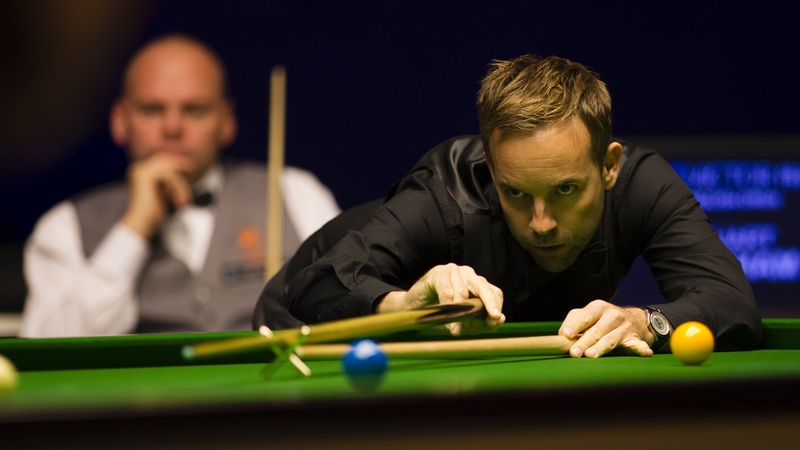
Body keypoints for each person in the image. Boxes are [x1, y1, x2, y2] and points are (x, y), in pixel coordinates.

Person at [273, 55, 761, 357]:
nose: (542, 223)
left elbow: (732, 302)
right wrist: (406, 304)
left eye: (566, 191)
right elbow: (311, 288)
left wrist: (647, 321)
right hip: (295, 322)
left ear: (608, 166)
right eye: (517, 193)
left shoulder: (641, 185)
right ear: (490, 167)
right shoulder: (440, 195)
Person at [19, 34, 340, 337]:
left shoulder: (295, 193)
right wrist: (133, 230)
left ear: (226, 122)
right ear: (120, 120)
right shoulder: (66, 226)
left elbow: (345, 307)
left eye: (194, 110)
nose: (172, 127)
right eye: (152, 110)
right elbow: (48, 352)